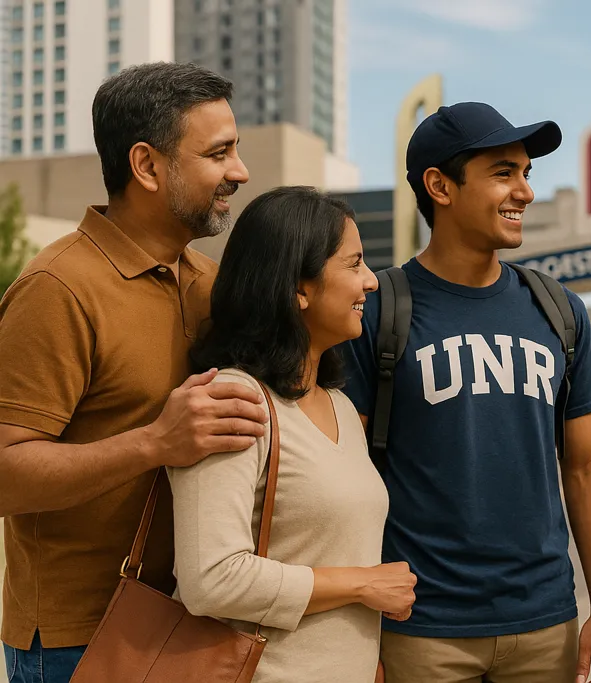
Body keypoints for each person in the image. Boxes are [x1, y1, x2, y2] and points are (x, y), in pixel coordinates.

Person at [0, 62, 268, 682]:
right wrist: (154, 443)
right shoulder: (57, 288)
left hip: (198, 624)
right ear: (147, 166)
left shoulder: (213, 285)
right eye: (219, 153)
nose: (240, 172)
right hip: (80, 642)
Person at [340, 102, 591, 683]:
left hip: (546, 622)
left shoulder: (560, 311)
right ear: (440, 187)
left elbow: (588, 468)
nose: (524, 191)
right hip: (420, 627)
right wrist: (357, 626)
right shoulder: (378, 313)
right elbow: (343, 476)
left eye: (526, 173)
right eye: (502, 173)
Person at [167, 187, 416, 683]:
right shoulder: (235, 399)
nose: (370, 281)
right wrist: (362, 585)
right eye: (354, 264)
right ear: (298, 289)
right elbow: (211, 579)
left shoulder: (341, 406)